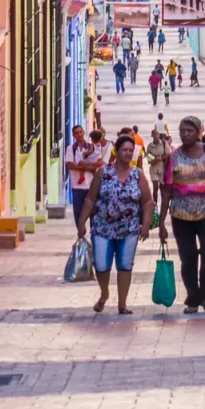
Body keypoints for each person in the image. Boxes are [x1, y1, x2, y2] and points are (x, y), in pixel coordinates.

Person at [158, 116, 205, 314]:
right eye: (182, 131)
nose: (185, 134)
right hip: (181, 216)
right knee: (188, 256)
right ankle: (192, 295)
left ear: (198, 132)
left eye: (189, 131)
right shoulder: (174, 157)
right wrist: (162, 222)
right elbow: (167, 190)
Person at [77, 135, 155, 315]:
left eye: (130, 150)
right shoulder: (103, 173)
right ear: (116, 151)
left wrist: (146, 225)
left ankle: (122, 303)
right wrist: (82, 222)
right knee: (101, 264)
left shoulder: (138, 174)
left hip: (129, 229)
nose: (127, 153)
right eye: (124, 150)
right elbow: (90, 198)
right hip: (103, 227)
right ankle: (104, 293)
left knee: (125, 265)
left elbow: (147, 201)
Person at [66, 125, 105, 223]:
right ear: (73, 135)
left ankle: (93, 235)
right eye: (76, 133)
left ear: (84, 132)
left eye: (81, 132)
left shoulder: (92, 147)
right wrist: (89, 168)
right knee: (78, 213)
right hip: (77, 186)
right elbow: (70, 165)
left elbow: (100, 162)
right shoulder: (71, 149)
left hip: (91, 185)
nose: (79, 134)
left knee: (94, 212)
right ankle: (81, 234)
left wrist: (87, 167)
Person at [146, 128, 173, 225]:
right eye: (154, 134)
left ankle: (163, 207)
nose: (156, 135)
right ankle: (155, 207)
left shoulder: (164, 143)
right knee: (155, 187)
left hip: (162, 169)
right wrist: (156, 159)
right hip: (153, 169)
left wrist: (159, 158)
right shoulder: (149, 146)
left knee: (162, 188)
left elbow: (168, 154)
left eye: (157, 134)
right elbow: (149, 160)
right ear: (152, 135)